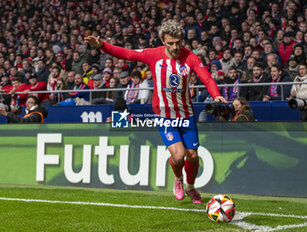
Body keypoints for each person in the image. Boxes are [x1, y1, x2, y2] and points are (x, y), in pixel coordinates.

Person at [85, 20, 227, 204]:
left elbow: (207, 78)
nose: (175, 47)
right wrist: (102, 45)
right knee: (178, 156)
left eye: (178, 42)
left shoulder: (190, 57)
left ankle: (191, 188)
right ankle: (178, 179)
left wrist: (216, 95)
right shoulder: (153, 55)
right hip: (164, 116)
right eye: (171, 43)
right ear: (163, 41)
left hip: (186, 114)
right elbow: (126, 54)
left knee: (192, 155)